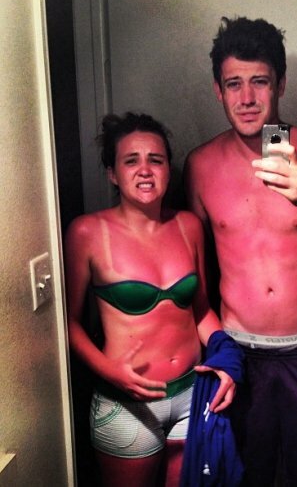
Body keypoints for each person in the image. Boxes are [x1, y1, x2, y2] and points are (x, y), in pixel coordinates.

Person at [184, 17, 297, 486]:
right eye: (234, 84)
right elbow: (192, 272)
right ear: (218, 90)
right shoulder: (201, 166)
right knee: (240, 479)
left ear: (281, 84)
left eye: (260, 81)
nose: (247, 97)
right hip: (238, 357)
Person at [64, 112, 242, 487]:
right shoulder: (87, 232)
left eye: (155, 160)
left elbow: (200, 310)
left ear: (167, 170)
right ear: (113, 173)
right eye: (131, 161)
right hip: (127, 406)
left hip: (191, 395)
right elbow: (68, 323)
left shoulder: (189, 226)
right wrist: (109, 370)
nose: (145, 170)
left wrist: (227, 356)